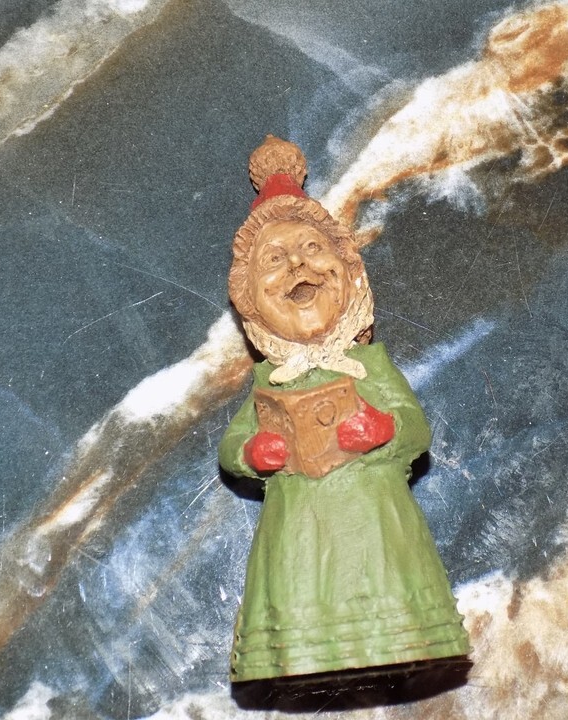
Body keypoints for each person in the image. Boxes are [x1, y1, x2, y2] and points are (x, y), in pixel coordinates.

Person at [220, 136, 469, 683]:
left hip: (376, 521)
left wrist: (382, 430)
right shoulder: (267, 382)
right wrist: (256, 452)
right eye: (275, 260)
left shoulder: (368, 367)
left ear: (351, 273)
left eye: (313, 249)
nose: (298, 267)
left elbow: (414, 426)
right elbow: (233, 447)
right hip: (299, 530)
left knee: (388, 592)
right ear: (249, 300)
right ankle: (301, 654)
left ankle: (401, 640)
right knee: (301, 600)